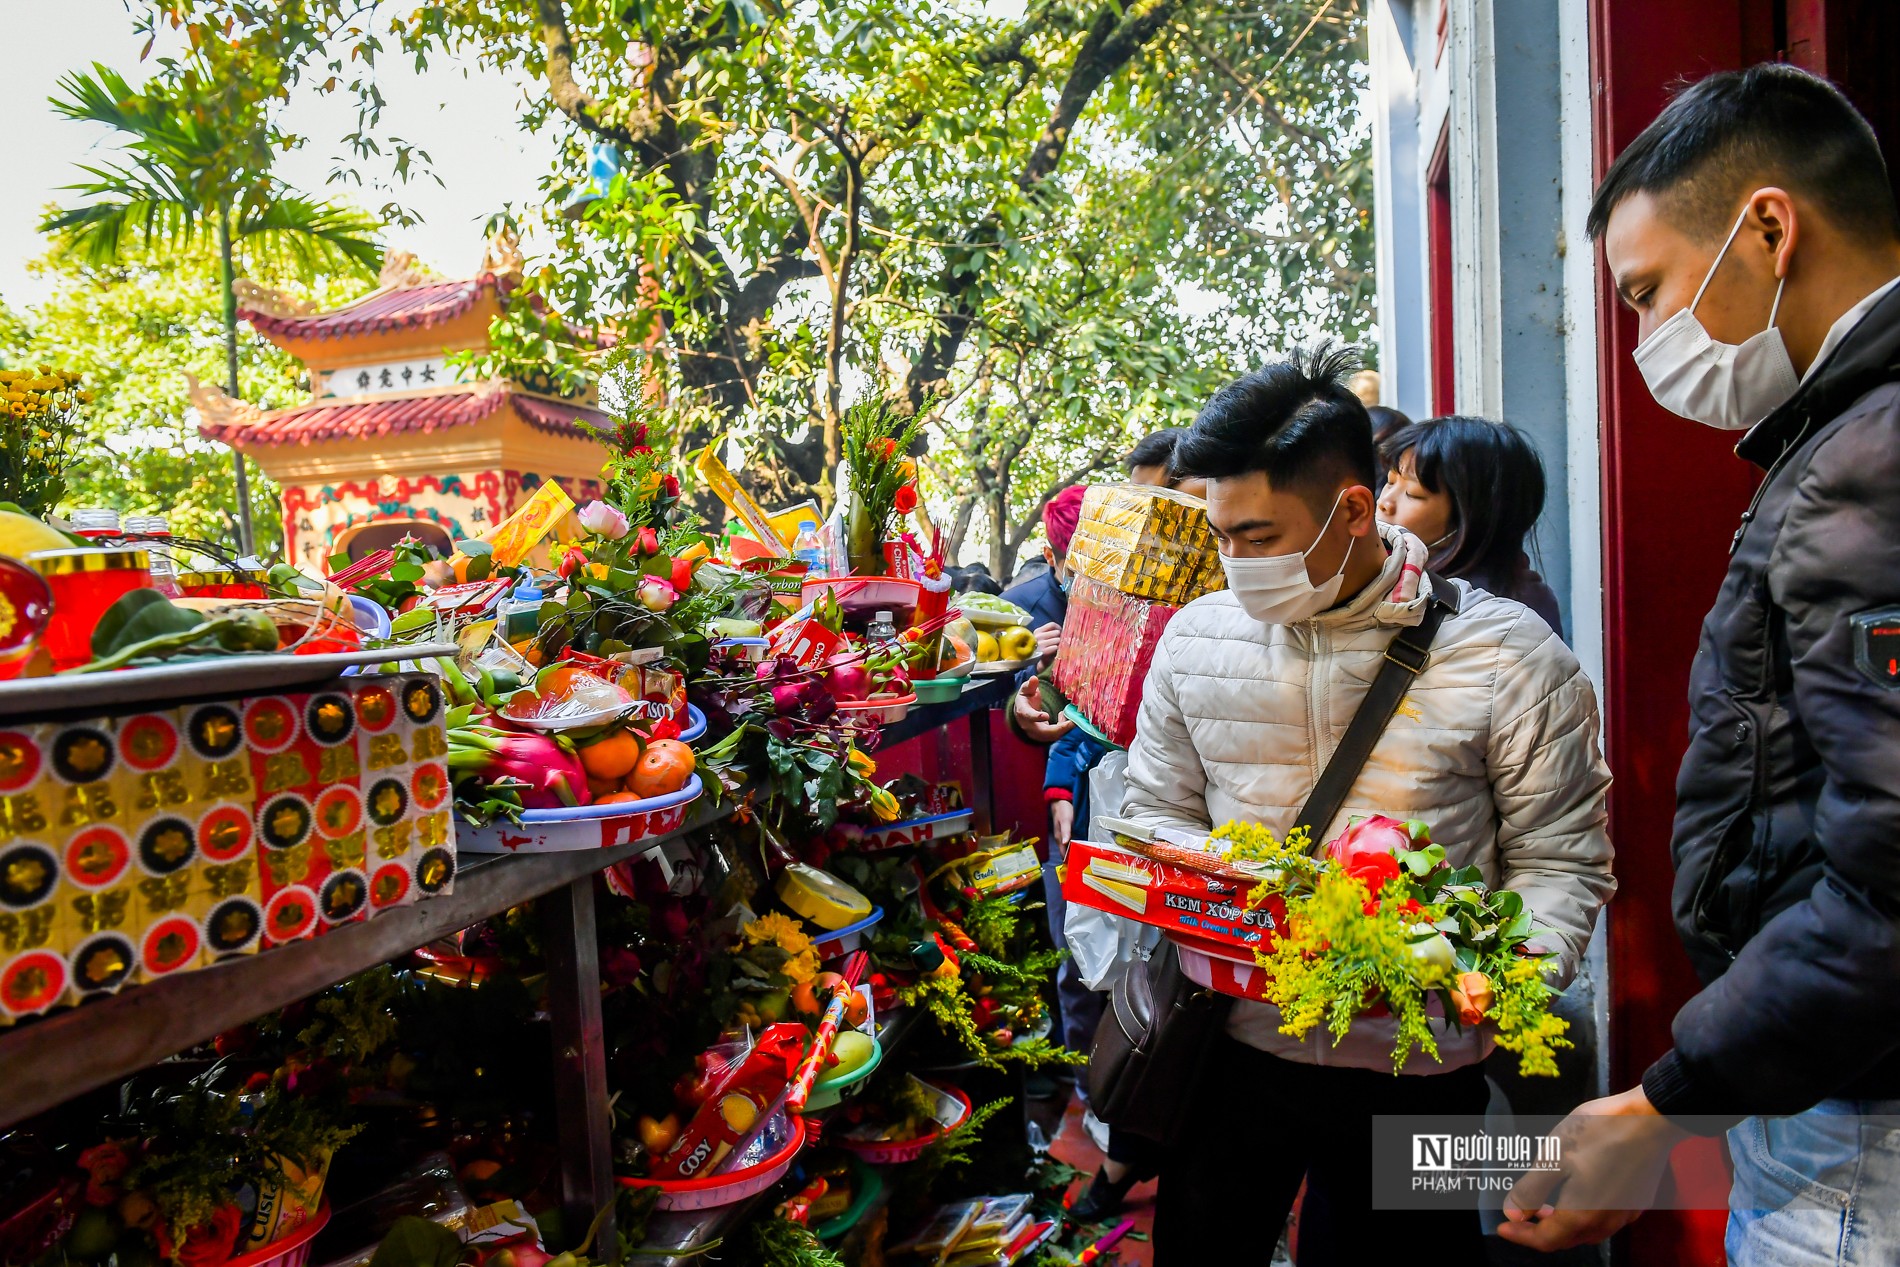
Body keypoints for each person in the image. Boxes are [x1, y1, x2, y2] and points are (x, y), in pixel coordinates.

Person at [1499, 65, 1900, 1263]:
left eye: (1648, 293)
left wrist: (1663, 1102)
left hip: (1859, 1130)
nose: (1641, 342)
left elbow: (1889, 876)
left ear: (1768, 227)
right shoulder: (1838, 437)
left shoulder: (1865, 461)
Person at [1122, 344, 1614, 1265]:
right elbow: (1157, 814)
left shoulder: (1509, 655)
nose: (1233, 564)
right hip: (1229, 1048)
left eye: (1258, 537)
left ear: (1353, 509)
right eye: (1219, 536)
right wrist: (1216, 887)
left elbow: (1563, 861)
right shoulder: (1194, 642)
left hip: (1421, 1066)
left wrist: (1492, 981)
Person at [1376, 414, 1565, 636]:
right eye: (1389, 482)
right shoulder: (1397, 578)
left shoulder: (1506, 614)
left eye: (1413, 493)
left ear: (1473, 517)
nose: (1384, 502)